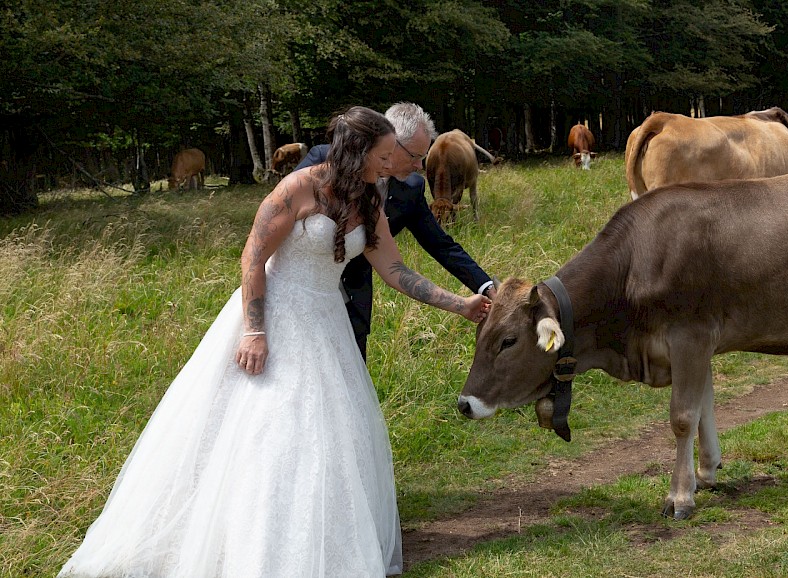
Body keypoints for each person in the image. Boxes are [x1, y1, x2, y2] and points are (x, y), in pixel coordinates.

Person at [58, 106, 490, 577]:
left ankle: (321, 547)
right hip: (275, 315)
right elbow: (253, 254)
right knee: (268, 429)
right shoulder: (298, 187)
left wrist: (460, 304)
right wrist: (255, 330)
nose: (391, 165)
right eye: (386, 155)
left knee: (327, 436)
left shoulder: (370, 199)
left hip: (327, 325)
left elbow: (395, 270)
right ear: (360, 150)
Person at [295, 102, 495, 359]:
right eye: (414, 156)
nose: (420, 166)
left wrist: (485, 286)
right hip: (300, 298)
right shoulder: (321, 163)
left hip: (355, 301)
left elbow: (440, 246)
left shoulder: (410, 188)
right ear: (389, 143)